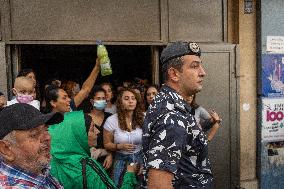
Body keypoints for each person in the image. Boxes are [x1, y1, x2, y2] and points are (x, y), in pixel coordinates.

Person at [142, 41, 213, 188]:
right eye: (194, 66)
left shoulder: (171, 105)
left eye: (200, 65)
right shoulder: (172, 117)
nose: (202, 72)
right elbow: (158, 185)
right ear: (174, 74)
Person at [49, 111, 138, 189]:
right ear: (80, 135)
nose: (97, 131)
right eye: (92, 129)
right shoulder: (86, 167)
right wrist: (130, 173)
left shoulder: (51, 162)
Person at [0, 103, 64, 188]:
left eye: (46, 129)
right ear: (6, 149)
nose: (48, 137)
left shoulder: (33, 166)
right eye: (34, 134)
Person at [104, 88, 144, 187]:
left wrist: (145, 162)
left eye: (133, 98)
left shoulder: (144, 117)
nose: (130, 101)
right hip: (121, 160)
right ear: (120, 102)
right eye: (126, 98)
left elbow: (151, 142)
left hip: (140, 159)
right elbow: (107, 144)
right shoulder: (111, 120)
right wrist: (119, 146)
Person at [88, 86, 113, 168]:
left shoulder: (110, 118)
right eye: (98, 98)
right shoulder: (85, 118)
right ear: (92, 101)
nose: (101, 101)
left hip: (108, 162)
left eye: (103, 98)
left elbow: (116, 139)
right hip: (90, 162)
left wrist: (110, 155)